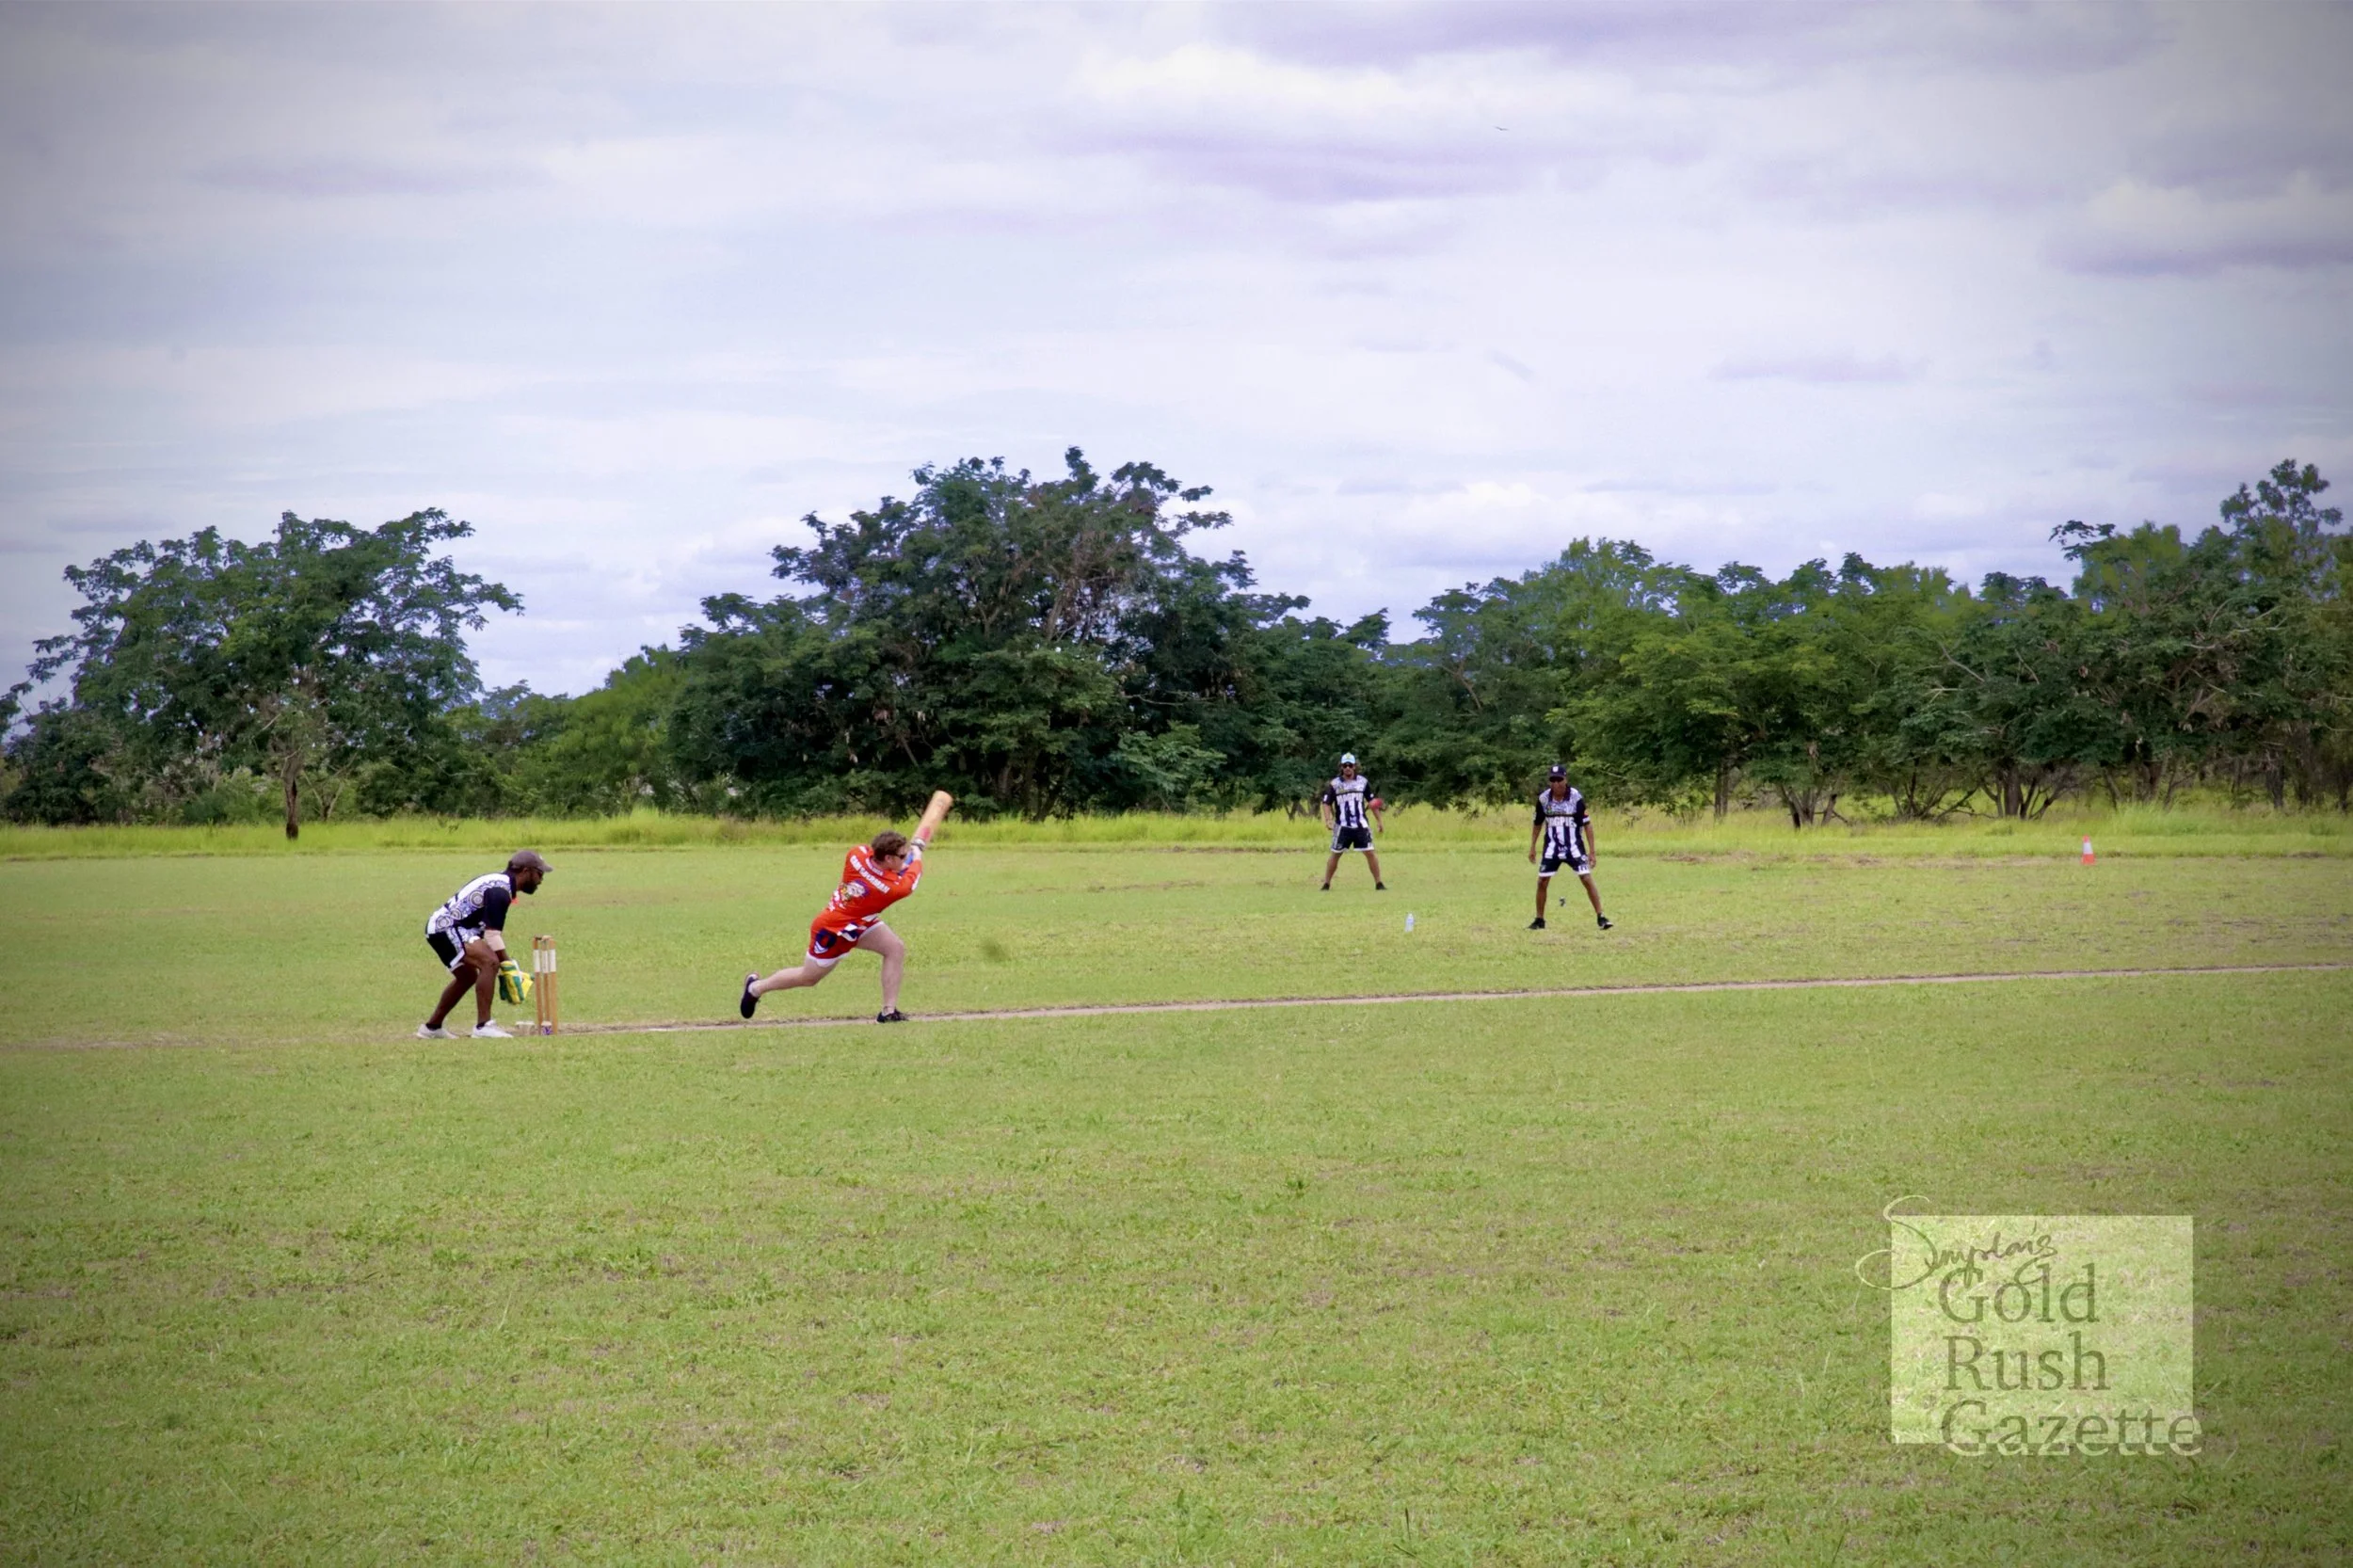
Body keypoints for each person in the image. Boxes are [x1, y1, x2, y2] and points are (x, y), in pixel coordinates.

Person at [742, 827, 932, 1023]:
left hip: (862, 920)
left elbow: (886, 865)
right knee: (809, 977)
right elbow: (910, 879)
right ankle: (756, 988)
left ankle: (888, 1012)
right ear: (889, 859)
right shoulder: (891, 889)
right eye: (902, 855)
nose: (905, 857)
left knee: (894, 948)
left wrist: (906, 856)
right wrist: (916, 854)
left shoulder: (855, 853)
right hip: (835, 930)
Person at [418, 850, 551, 1038]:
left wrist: (507, 965)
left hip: (444, 928)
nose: (541, 879)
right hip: (446, 928)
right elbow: (492, 936)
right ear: (526, 871)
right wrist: (509, 966)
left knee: (467, 977)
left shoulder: (502, 885)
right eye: (539, 873)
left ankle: (432, 1028)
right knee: (489, 962)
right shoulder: (500, 891)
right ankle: (483, 1027)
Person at [1529, 764, 1611, 931]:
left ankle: (1601, 916)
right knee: (1542, 881)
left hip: (1574, 847)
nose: (1556, 783)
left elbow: (1587, 825)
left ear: (1566, 779)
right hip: (1552, 847)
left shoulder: (1575, 797)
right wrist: (1532, 847)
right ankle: (1539, 919)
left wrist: (1592, 851)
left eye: (1559, 779)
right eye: (1552, 780)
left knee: (1586, 878)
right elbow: (1537, 824)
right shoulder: (1544, 799)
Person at [1320, 752, 1386, 890]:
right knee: (1335, 854)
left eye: (1350, 765)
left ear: (1355, 766)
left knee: (1370, 853)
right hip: (1342, 826)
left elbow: (1372, 802)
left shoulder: (1363, 782)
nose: (1348, 768)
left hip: (1361, 825)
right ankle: (1326, 883)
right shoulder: (1335, 784)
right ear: (1341, 767)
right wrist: (1328, 820)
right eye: (1345, 765)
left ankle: (1379, 883)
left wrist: (1379, 821)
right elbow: (1326, 803)